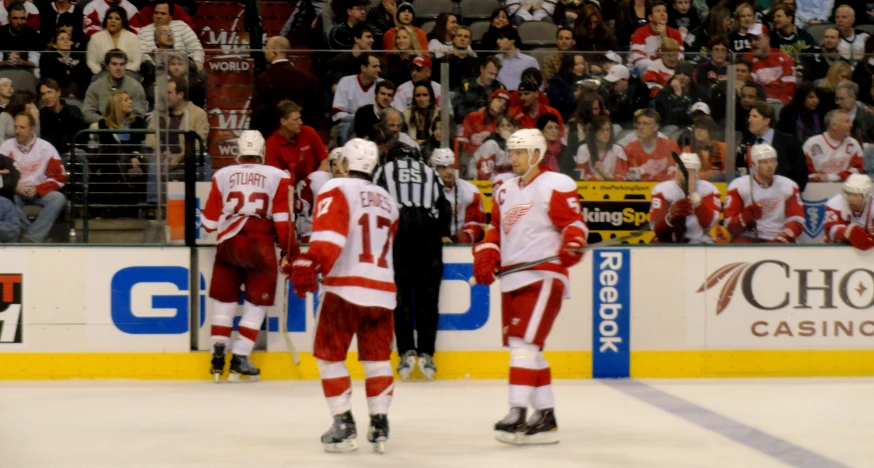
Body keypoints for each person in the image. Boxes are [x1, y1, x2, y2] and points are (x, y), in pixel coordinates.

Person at [472, 128, 587, 445]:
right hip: (513, 278)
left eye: (519, 153)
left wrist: (574, 241)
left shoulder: (555, 184)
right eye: (511, 153)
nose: (513, 158)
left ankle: (518, 410)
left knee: (524, 345)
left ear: (536, 155)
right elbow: (495, 228)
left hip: (544, 275)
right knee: (527, 349)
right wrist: (488, 251)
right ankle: (545, 415)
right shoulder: (505, 190)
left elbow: (574, 224)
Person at [284, 139, 398, 453]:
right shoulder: (388, 199)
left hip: (346, 289)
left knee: (329, 356)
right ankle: (380, 423)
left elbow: (329, 240)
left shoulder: (336, 189)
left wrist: (310, 262)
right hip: (383, 292)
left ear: (345, 163)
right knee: (377, 361)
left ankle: (343, 424)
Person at [202, 130, 292, 383]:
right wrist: (287, 249)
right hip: (261, 242)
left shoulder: (222, 175)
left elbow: (208, 223)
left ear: (238, 150)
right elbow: (284, 220)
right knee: (257, 302)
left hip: (229, 241)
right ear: (262, 151)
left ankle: (217, 350)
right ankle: (240, 356)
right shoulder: (279, 176)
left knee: (224, 298)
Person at [373, 144, 449, 382]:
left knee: (401, 295)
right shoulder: (430, 171)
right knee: (429, 295)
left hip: (399, 229)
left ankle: (406, 351)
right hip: (426, 229)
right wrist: (441, 232)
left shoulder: (384, 169)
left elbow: (375, 201)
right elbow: (444, 207)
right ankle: (427, 352)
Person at [0, 113, 67, 243]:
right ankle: (35, 237)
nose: (17, 131)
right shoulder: (5, 147)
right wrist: (14, 186)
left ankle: (30, 238)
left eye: (22, 127)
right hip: (15, 192)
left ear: (32, 129)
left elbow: (60, 177)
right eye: (15, 127)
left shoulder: (46, 148)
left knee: (59, 198)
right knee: (5, 200)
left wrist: (38, 189)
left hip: (39, 191)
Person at [723, 144, 804, 243]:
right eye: (764, 162)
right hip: (748, 238)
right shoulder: (738, 186)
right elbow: (729, 225)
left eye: (772, 161)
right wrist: (746, 216)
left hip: (779, 237)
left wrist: (783, 238)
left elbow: (797, 219)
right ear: (753, 165)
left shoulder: (789, 186)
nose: (770, 166)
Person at [251, 36, 321, 135]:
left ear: (274, 51)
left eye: (267, 48)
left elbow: (258, 114)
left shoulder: (263, 79)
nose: (265, 52)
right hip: (302, 137)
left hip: (272, 138)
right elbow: (316, 111)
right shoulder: (308, 78)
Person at [649, 152, 721, 243]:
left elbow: (709, 224)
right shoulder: (662, 190)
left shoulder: (708, 189)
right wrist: (670, 217)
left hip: (700, 242)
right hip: (672, 244)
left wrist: (695, 197)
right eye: (681, 169)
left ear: (696, 173)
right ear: (676, 169)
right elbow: (658, 230)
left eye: (689, 171)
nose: (684, 174)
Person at [742, 101, 808, 191]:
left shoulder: (789, 141)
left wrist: (789, 193)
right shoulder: (748, 143)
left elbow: (801, 174)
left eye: (754, 116)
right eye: (750, 116)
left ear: (766, 121)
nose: (749, 120)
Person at [266, 100, 328, 186]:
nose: (300, 122)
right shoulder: (271, 144)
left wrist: (313, 181)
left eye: (300, 118)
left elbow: (325, 160)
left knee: (322, 176)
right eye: (295, 119)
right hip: (286, 190)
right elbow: (274, 176)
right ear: (283, 122)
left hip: (312, 188)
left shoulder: (309, 132)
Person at [430, 148, 486, 244]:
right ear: (434, 169)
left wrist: (463, 238)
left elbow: (477, 224)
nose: (449, 171)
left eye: (451, 166)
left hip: (459, 245)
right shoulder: (425, 192)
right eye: (443, 167)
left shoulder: (470, 191)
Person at [82, 49, 147, 124]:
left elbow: (138, 114)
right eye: (114, 64)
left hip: (128, 128)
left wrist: (121, 124)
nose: (118, 68)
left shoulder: (136, 87)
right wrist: (106, 122)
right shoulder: (95, 87)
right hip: (103, 128)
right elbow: (87, 113)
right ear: (107, 67)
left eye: (122, 64)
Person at [803, 110, 864, 182]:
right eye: (847, 122)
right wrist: (816, 178)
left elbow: (857, 170)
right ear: (834, 125)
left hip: (845, 187)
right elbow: (804, 171)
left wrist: (831, 177)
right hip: (817, 187)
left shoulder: (853, 143)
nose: (851, 125)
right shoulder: (811, 143)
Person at [624, 109, 681, 182]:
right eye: (639, 123)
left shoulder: (671, 146)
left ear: (656, 127)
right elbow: (621, 177)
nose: (640, 127)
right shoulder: (629, 149)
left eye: (645, 124)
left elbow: (677, 175)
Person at [628, 0, 684, 75]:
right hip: (645, 74)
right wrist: (660, 68)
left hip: (669, 73)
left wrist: (664, 37)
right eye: (658, 11)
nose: (663, 14)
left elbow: (680, 58)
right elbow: (638, 60)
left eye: (665, 11)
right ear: (650, 17)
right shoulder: (639, 32)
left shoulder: (675, 33)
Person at [745, 24, 795, 104]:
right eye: (750, 40)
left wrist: (779, 106)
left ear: (767, 38)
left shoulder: (784, 59)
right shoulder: (747, 59)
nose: (753, 43)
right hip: (756, 104)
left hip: (779, 104)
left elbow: (788, 89)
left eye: (757, 39)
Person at [823, 174, 874, 249]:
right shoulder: (835, 203)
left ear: (865, 196)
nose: (851, 199)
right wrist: (848, 232)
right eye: (848, 194)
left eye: (856, 196)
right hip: (834, 250)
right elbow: (830, 231)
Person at [86, 7, 142, 75]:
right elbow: (91, 62)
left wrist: (122, 72)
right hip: (102, 75)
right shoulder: (95, 38)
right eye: (110, 18)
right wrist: (102, 72)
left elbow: (137, 62)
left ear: (122, 22)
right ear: (106, 21)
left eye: (117, 19)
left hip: (128, 74)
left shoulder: (133, 37)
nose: (113, 21)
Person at [39, 78, 86, 157]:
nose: (46, 97)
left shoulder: (73, 111)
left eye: (49, 92)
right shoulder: (41, 115)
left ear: (58, 92)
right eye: (43, 94)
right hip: (51, 155)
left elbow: (82, 137)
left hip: (73, 155)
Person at [39, 30, 92, 99]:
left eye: (68, 39)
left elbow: (86, 75)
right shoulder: (47, 57)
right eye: (62, 39)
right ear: (54, 45)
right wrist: (70, 71)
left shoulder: (78, 57)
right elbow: (56, 76)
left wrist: (68, 71)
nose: (66, 41)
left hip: (78, 93)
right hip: (56, 91)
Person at [572, 116, 628, 180]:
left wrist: (604, 174)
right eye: (601, 130)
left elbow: (621, 177)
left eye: (608, 130)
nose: (606, 133)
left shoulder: (618, 149)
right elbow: (581, 177)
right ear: (594, 133)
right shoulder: (583, 149)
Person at [458, 88, 510, 156]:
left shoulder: (504, 124)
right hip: (470, 158)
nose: (501, 105)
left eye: (504, 104)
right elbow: (462, 142)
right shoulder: (472, 117)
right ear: (491, 100)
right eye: (499, 100)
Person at [470, 115, 518, 180]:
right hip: (480, 181)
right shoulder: (490, 144)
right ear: (497, 130)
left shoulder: (517, 146)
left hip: (502, 182)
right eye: (502, 126)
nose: (505, 128)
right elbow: (485, 174)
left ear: (514, 129)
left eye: (508, 125)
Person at [495, 26, 540, 91]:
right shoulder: (496, 59)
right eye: (497, 38)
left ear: (512, 40)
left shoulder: (530, 61)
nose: (497, 41)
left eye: (501, 38)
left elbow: (539, 86)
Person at [0, 2, 42, 69]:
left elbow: (35, 63)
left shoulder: (32, 34)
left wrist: (22, 62)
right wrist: (7, 62)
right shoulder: (1, 33)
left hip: (26, 72)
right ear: (8, 19)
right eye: (15, 18)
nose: (19, 22)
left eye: (22, 18)